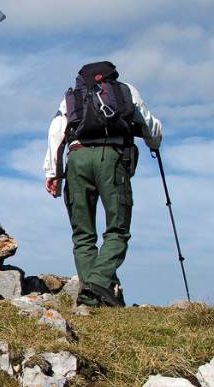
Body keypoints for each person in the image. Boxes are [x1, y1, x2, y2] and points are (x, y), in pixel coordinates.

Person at [44, 61, 162, 307]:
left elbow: (56, 131)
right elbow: (150, 125)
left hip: (76, 158)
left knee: (83, 235)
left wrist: (53, 173)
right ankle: (96, 286)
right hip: (112, 157)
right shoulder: (124, 91)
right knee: (117, 230)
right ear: (111, 75)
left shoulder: (72, 97)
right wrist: (153, 144)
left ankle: (90, 300)